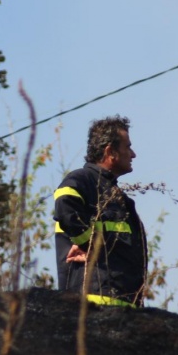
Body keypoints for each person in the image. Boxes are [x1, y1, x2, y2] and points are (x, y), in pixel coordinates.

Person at [53, 116, 148, 307]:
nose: (133, 154)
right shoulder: (83, 180)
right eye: (127, 147)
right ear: (110, 151)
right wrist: (89, 243)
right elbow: (65, 206)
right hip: (93, 306)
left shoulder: (119, 197)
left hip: (125, 308)